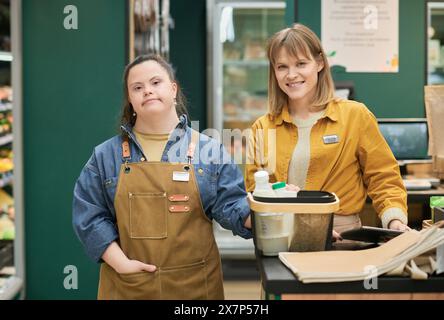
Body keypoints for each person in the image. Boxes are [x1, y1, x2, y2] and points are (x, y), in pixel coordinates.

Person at [72, 54, 252, 300]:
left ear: (173, 89)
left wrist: (266, 208)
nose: (147, 90)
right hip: (128, 287)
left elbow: (232, 208)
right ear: (130, 100)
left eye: (155, 82)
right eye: (137, 87)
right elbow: (89, 218)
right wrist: (122, 263)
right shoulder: (105, 156)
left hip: (194, 288)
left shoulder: (208, 151)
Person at [245, 24, 409, 237]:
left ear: (320, 63)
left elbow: (383, 177)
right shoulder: (262, 127)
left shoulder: (355, 116)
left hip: (341, 238)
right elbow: (254, 191)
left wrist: (394, 220)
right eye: (282, 67)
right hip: (280, 234)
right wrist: (279, 194)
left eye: (301, 64)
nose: (291, 74)